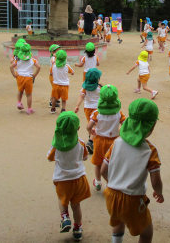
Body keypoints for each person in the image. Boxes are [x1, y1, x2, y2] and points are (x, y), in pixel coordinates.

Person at [101, 98, 163, 243]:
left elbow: (104, 169)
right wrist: (158, 192)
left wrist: (112, 182)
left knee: (118, 220)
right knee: (146, 233)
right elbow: (156, 181)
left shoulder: (116, 143)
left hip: (111, 195)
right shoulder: (150, 150)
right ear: (152, 126)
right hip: (133, 200)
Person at [47, 111, 90, 241]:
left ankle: (65, 216)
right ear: (78, 128)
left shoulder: (56, 145)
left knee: (61, 198)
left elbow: (49, 158)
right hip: (79, 178)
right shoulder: (81, 142)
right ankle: (77, 229)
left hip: (63, 179)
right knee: (76, 205)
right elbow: (86, 156)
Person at [87, 85, 126, 192]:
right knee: (111, 163)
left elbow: (88, 126)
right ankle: (109, 183)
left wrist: (91, 131)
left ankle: (98, 181)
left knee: (98, 162)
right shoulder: (119, 113)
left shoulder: (97, 113)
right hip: (114, 142)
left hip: (99, 140)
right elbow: (125, 125)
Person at [74, 68, 102, 154]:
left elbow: (81, 97)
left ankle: (91, 138)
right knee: (97, 126)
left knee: (90, 123)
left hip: (87, 108)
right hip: (97, 109)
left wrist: (77, 105)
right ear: (98, 78)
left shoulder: (84, 88)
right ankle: (91, 142)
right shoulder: (99, 88)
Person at [10, 43, 41, 115]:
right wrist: (35, 75)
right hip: (29, 77)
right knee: (29, 94)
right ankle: (29, 109)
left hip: (19, 77)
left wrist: (14, 75)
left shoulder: (17, 60)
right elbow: (38, 67)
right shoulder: (33, 60)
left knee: (20, 91)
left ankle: (19, 102)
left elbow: (11, 67)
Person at [51, 50, 74, 114]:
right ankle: (63, 109)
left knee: (55, 97)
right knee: (64, 99)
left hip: (56, 84)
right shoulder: (67, 66)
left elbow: (51, 73)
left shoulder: (53, 66)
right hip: (64, 85)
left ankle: (53, 108)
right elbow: (72, 72)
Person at [48, 44, 61, 108]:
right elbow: (54, 64)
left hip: (56, 76)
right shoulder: (53, 58)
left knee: (56, 89)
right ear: (53, 53)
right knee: (55, 89)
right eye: (58, 51)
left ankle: (55, 99)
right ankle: (51, 102)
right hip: (53, 76)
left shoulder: (56, 58)